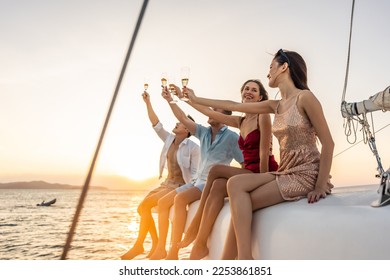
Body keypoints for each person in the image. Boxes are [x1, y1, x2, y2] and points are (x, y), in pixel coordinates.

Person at [184, 49, 334, 259]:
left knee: (240, 199)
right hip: (286, 172)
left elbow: (329, 143)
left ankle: (242, 259)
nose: (268, 72)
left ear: (284, 67)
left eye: (271, 66)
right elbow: (233, 106)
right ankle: (235, 261)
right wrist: (195, 98)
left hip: (306, 174)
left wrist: (319, 186)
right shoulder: (276, 105)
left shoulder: (305, 98)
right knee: (235, 187)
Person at [179, 79, 279, 260]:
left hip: (261, 172)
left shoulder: (262, 115)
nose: (249, 91)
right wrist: (188, 100)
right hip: (248, 170)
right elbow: (209, 112)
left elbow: (264, 151)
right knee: (217, 185)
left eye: (254, 90)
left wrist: (262, 180)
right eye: (246, 89)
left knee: (216, 170)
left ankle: (196, 224)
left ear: (260, 98)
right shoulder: (240, 122)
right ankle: (200, 245)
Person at [148, 86, 244, 260]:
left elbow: (244, 163)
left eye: (214, 110)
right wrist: (170, 99)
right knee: (164, 202)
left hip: (209, 184)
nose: (209, 112)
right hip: (196, 181)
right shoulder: (204, 132)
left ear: (224, 117)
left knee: (180, 199)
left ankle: (173, 252)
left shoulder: (232, 137)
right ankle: (168, 250)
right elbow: (183, 118)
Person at [120, 91, 200, 260]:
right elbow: (156, 124)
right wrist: (148, 103)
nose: (177, 123)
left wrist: (186, 193)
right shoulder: (169, 139)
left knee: (150, 205)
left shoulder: (193, 148)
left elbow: (194, 176)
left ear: (187, 129)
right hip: (166, 184)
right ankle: (150, 244)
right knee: (141, 208)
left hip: (179, 186)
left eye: (181, 122)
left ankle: (153, 247)